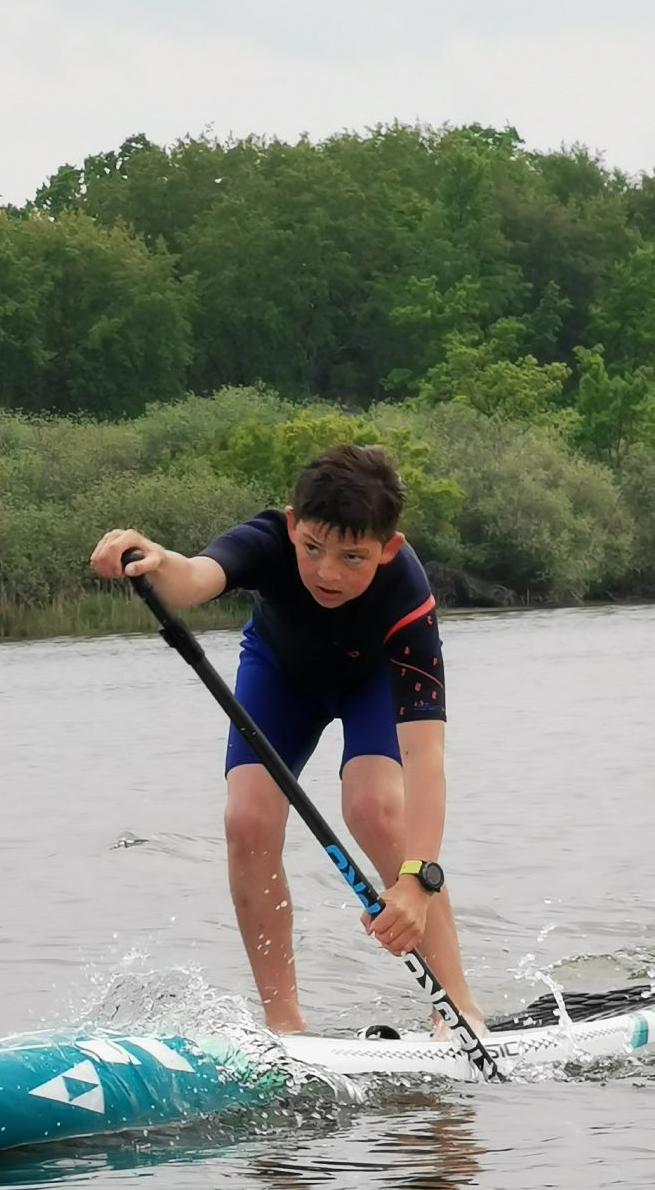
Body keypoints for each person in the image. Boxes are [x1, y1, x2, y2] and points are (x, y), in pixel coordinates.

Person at [90, 443, 486, 1038]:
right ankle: (286, 1025)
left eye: (354, 557)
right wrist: (152, 558)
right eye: (313, 548)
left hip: (371, 683)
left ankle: (458, 1009)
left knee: (374, 807)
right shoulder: (267, 539)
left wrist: (416, 880)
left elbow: (425, 758)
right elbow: (194, 578)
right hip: (282, 677)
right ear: (293, 525)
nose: (328, 572)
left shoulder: (407, 597)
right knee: (247, 820)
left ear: (388, 549)